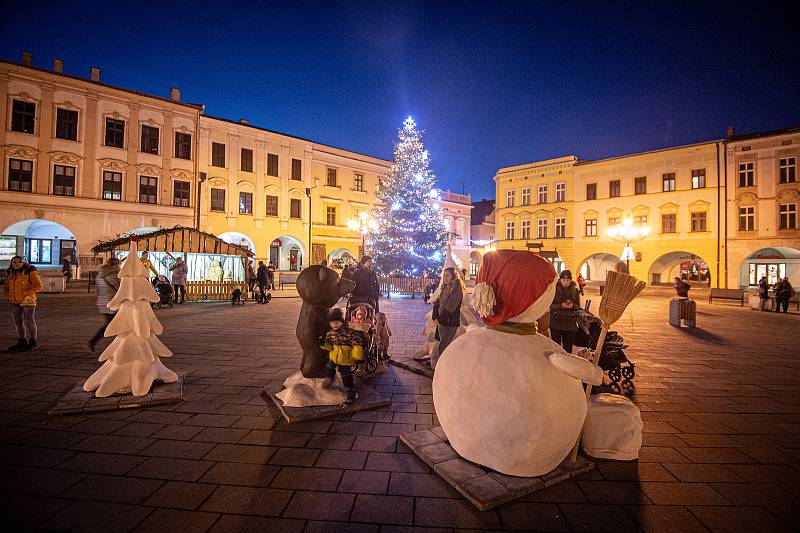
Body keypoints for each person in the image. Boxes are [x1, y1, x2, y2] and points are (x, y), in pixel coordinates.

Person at [321, 308, 363, 403]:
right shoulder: (330, 334)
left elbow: (357, 342)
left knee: (346, 376)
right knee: (329, 368)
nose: (335, 324)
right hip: (334, 358)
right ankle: (329, 380)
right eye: (332, 322)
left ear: (342, 322)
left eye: (337, 322)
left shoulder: (349, 333)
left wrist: (357, 356)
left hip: (345, 359)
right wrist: (323, 343)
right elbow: (329, 346)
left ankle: (350, 393)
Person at [4, 256, 43, 352]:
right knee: (18, 322)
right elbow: (7, 286)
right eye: (14, 262)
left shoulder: (29, 271)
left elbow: (39, 286)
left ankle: (33, 342)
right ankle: (22, 341)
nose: (16, 264)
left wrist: (26, 293)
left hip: (27, 300)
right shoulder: (10, 273)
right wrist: (8, 295)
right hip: (14, 301)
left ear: (23, 263)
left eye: (18, 262)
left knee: (29, 321)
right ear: (11, 264)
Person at [431, 267, 465, 369]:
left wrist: (439, 320)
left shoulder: (457, 289)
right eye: (444, 275)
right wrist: (435, 316)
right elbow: (437, 303)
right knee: (440, 344)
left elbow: (451, 307)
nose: (445, 278)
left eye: (447, 276)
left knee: (444, 347)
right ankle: (438, 366)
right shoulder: (444, 287)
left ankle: (443, 369)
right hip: (441, 321)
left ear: (453, 277)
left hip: (449, 323)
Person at [87, 257, 120, 353]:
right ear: (115, 265)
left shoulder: (99, 275)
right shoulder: (115, 275)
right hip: (112, 303)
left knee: (113, 325)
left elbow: (97, 290)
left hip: (102, 303)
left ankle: (118, 347)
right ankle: (93, 342)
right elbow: (120, 289)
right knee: (113, 325)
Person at [549, 270, 581, 354]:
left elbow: (578, 307)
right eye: (563, 280)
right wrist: (561, 306)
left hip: (570, 322)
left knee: (568, 347)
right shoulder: (554, 290)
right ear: (560, 280)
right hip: (556, 321)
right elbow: (550, 306)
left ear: (570, 280)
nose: (566, 282)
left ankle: (567, 365)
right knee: (556, 346)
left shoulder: (574, 291)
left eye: (568, 280)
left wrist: (572, 306)